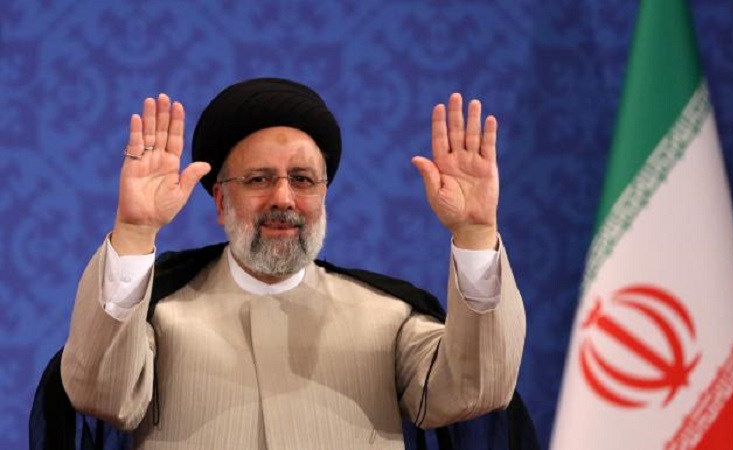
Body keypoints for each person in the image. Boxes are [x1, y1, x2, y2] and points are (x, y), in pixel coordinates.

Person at [56, 78, 528, 449]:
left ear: (323, 195)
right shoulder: (160, 315)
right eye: (259, 179)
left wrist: (475, 233)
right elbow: (101, 394)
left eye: (302, 179)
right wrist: (135, 232)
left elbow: (475, 389)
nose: (283, 198)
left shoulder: (389, 316)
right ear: (220, 201)